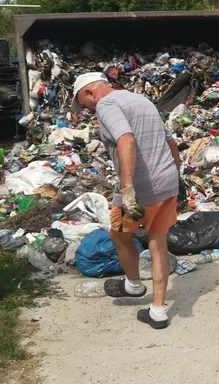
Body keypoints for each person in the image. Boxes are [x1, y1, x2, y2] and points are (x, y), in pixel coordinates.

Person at [72, 72, 181, 329]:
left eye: (84, 103)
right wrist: (177, 173)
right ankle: (158, 311)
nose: (88, 110)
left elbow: (126, 139)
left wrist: (128, 187)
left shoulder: (106, 104)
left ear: (89, 93)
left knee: (119, 234)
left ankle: (133, 285)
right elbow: (170, 142)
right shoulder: (140, 99)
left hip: (139, 189)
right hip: (166, 181)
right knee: (158, 243)